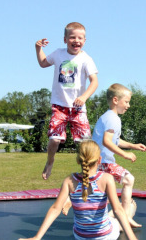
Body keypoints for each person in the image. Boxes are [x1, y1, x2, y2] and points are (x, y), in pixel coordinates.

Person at [19, 140, 137, 240]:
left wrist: (37, 237)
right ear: (99, 160)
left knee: (109, 214)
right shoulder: (106, 179)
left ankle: (113, 216)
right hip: (105, 236)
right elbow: (118, 210)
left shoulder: (69, 180)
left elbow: (55, 209)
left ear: (78, 160)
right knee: (127, 208)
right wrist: (132, 238)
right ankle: (130, 211)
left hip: (80, 236)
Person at [35, 22, 99, 180]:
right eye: (72, 37)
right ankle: (50, 161)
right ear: (65, 39)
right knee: (55, 139)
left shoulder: (86, 59)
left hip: (78, 108)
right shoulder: (58, 54)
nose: (76, 40)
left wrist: (84, 97)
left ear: (84, 40)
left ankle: (89, 171)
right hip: (59, 107)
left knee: (85, 144)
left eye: (80, 38)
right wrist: (38, 48)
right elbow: (43, 63)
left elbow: (94, 82)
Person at [92, 83, 146, 228]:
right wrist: (125, 155)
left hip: (98, 162)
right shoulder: (113, 119)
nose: (128, 105)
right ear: (116, 100)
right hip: (104, 162)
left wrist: (133, 145)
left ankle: (114, 215)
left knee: (104, 192)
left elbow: (116, 140)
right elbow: (107, 141)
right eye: (126, 102)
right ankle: (126, 216)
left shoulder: (108, 116)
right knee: (129, 179)